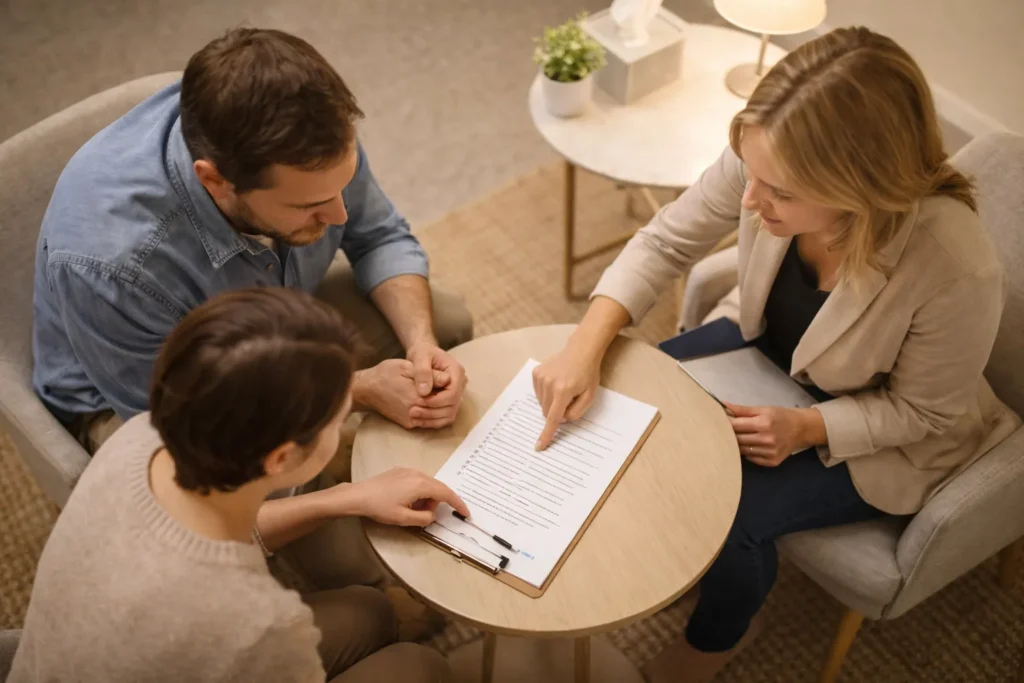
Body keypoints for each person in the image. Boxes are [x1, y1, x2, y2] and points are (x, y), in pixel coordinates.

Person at [531, 27, 1021, 683]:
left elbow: (925, 412)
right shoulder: (769, 161)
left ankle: (718, 636)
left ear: (861, 184)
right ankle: (689, 556)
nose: (751, 202)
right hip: (768, 353)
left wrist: (810, 427)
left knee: (733, 515)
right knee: (637, 406)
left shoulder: (955, 266)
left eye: (780, 194)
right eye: (751, 177)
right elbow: (665, 241)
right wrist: (583, 347)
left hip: (883, 431)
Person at [31, 28, 472, 616]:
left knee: (446, 318)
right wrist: (354, 390)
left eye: (341, 184)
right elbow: (196, 431)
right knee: (356, 569)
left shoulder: (311, 147)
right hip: (155, 404)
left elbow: (378, 234)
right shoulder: (113, 267)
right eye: (310, 206)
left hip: (274, 312)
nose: (339, 213)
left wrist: (421, 344)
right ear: (216, 180)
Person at [10, 288, 463, 683]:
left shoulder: (143, 438)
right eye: (340, 415)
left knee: (372, 611)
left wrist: (348, 497)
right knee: (421, 668)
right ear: (282, 457)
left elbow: (208, 535)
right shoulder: (253, 622)